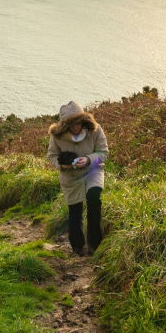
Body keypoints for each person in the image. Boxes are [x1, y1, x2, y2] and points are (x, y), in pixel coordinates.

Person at [46, 100, 109, 255]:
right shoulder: (57, 136)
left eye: (79, 123)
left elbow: (103, 153)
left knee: (94, 196)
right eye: (72, 124)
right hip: (70, 176)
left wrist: (88, 159)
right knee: (75, 209)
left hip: (93, 170)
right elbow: (52, 156)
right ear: (65, 125)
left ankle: (95, 244)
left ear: (84, 120)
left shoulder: (95, 129)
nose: (76, 127)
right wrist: (64, 164)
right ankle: (78, 247)